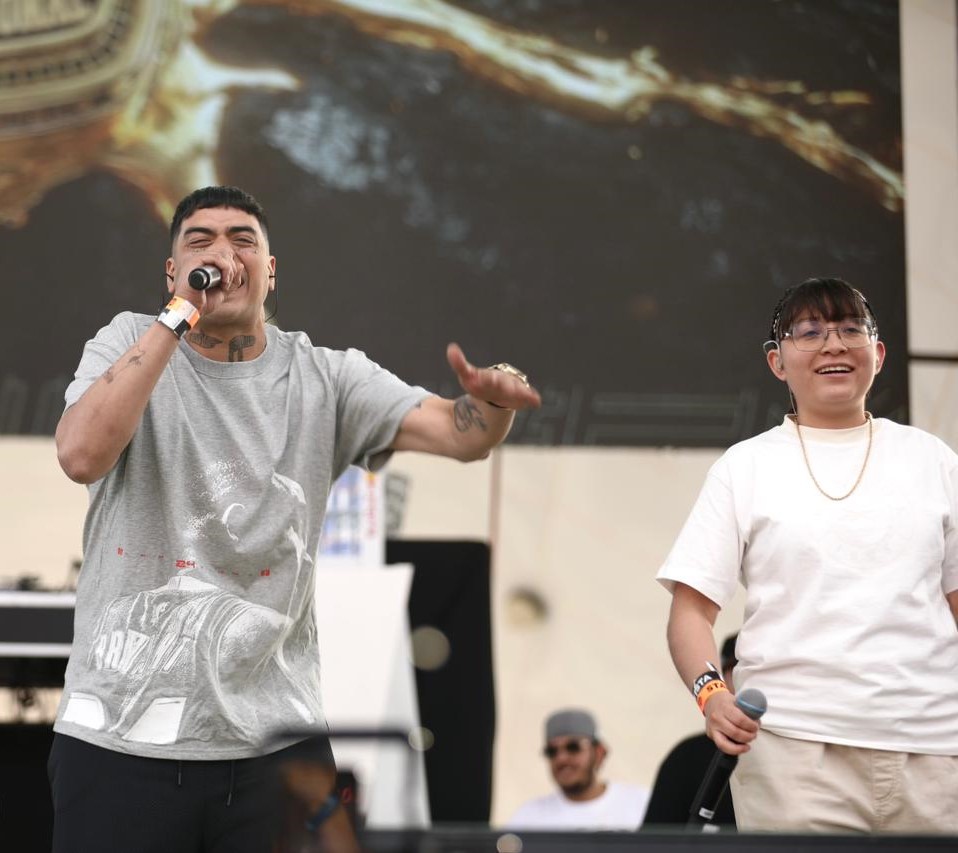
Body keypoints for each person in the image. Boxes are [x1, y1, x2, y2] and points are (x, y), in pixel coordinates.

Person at [50, 185, 541, 853]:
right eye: (200, 241)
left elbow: (461, 434)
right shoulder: (128, 341)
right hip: (116, 738)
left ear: (271, 271)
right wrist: (179, 315)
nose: (222, 254)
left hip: (276, 745)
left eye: (243, 240)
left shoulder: (327, 378)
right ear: (171, 272)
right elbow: (81, 455)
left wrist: (495, 401)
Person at [657, 277, 958, 833]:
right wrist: (712, 695)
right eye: (810, 332)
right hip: (792, 753)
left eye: (850, 330)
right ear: (777, 362)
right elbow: (691, 611)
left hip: (936, 749)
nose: (833, 344)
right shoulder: (744, 467)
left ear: (878, 354)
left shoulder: (933, 459)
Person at [643, 633, 738, 828]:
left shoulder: (796, 748)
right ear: (722, 678)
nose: (750, 680)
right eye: (739, 670)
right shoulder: (688, 756)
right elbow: (656, 836)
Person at [506, 708, 649, 831]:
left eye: (573, 747)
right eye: (552, 751)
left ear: (599, 752)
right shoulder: (528, 817)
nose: (561, 759)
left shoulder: (641, 805)